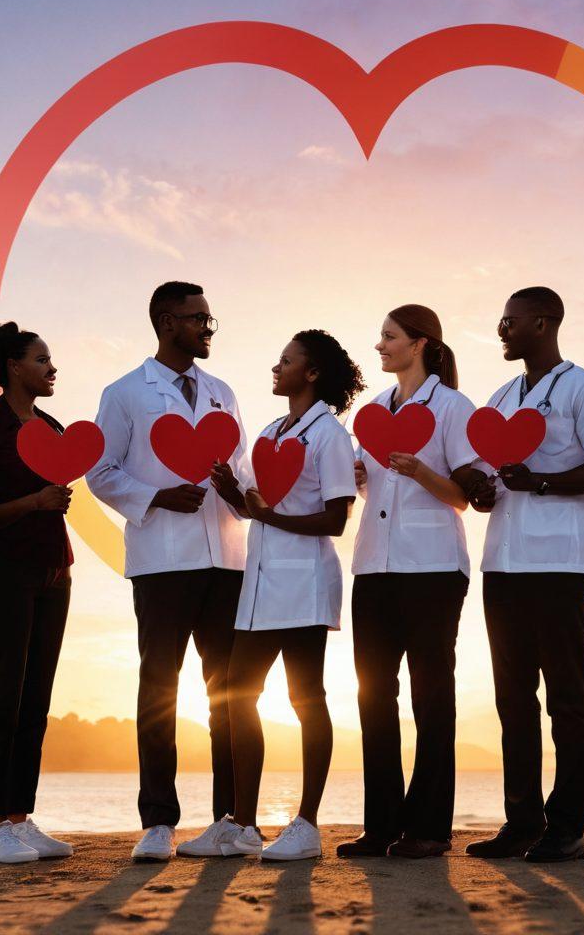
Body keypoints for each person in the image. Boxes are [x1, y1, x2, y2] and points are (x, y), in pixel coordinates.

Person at [183, 330, 363, 860]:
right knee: (237, 692)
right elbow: (257, 507)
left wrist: (266, 515)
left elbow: (335, 519)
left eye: (286, 361)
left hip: (305, 581)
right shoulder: (268, 432)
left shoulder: (329, 435)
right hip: (260, 585)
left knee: (307, 698)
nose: (276, 367)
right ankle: (242, 825)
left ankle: (307, 824)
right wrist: (231, 493)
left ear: (312, 373)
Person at [88, 282, 251, 861]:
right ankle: (158, 822)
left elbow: (243, 469)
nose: (208, 328)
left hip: (226, 560)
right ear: (166, 321)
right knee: (160, 686)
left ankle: (229, 818)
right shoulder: (125, 393)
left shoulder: (222, 393)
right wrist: (156, 497)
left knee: (229, 693)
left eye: (210, 319)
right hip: (162, 563)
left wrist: (240, 490)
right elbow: (100, 471)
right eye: (198, 318)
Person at [461, 287, 584, 864]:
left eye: (510, 320)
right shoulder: (501, 396)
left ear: (543, 322)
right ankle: (522, 821)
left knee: (566, 697)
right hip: (502, 563)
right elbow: (487, 473)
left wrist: (543, 483)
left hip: (557, 563)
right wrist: (481, 491)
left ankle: (567, 827)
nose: (501, 330)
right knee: (512, 698)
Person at [336, 305, 478, 860]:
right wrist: (358, 476)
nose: (380, 345)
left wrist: (420, 470)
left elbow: (465, 496)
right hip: (374, 566)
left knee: (431, 697)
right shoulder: (373, 411)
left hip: (433, 568)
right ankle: (381, 826)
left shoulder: (454, 407)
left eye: (389, 336)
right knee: (373, 697)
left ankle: (430, 828)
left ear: (420, 344)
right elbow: (374, 488)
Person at [0, 323, 75, 864]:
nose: (51, 368)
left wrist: (53, 504)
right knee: (3, 694)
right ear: (13, 367)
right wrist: (34, 503)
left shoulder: (53, 427)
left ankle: (21, 819)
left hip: (56, 572)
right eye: (41, 359)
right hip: (5, 573)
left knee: (37, 700)